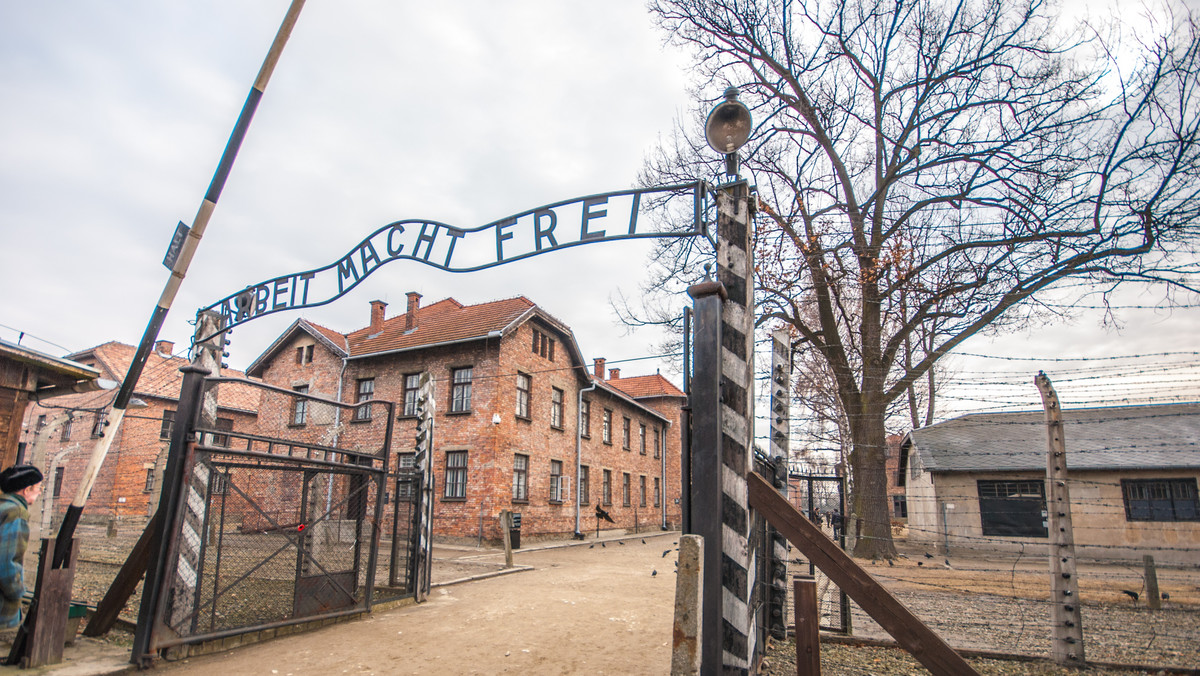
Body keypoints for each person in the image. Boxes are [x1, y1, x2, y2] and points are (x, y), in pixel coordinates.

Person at [0, 465, 43, 630]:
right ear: (27, 490)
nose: (39, 493)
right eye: (39, 488)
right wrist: (17, 592)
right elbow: (5, 562)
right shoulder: (15, 512)